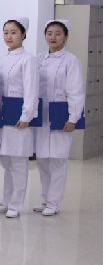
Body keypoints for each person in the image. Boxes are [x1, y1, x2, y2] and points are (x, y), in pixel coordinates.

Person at [33, 19, 85, 216]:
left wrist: (73, 117)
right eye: (49, 33)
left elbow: (76, 91)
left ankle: (54, 203)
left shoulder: (71, 60)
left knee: (58, 160)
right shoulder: (39, 59)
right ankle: (45, 199)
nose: (53, 37)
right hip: (42, 114)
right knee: (42, 160)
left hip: (61, 112)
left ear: (65, 37)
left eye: (58, 34)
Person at [0, 17, 39, 218]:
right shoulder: (1, 60)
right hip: (3, 113)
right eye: (6, 32)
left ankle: (16, 204)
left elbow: (31, 89)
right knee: (6, 160)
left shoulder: (28, 59)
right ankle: (7, 199)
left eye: (13, 32)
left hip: (19, 113)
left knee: (18, 161)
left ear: (23, 35)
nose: (9, 36)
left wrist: (27, 115)